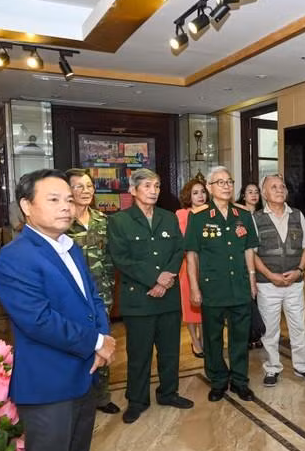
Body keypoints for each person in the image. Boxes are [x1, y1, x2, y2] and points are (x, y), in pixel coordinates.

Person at [0, 169, 116, 451]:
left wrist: (103, 339)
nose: (67, 206)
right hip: (49, 385)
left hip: (83, 374)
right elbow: (39, 320)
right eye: (54, 199)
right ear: (26, 207)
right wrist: (95, 342)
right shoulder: (15, 257)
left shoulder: (70, 246)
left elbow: (93, 299)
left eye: (68, 198)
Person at [108, 168, 194, 424]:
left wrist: (166, 278)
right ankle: (137, 400)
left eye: (156, 186)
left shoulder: (168, 218)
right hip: (139, 298)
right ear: (133, 191)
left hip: (167, 297)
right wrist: (154, 279)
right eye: (147, 186)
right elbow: (121, 259)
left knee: (170, 351)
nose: (153, 191)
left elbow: (179, 249)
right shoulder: (119, 221)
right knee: (139, 354)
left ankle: (168, 392)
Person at [185, 166, 259, 402]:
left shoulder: (243, 215)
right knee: (213, 338)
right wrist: (195, 288)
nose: (226, 186)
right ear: (209, 187)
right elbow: (191, 256)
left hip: (239, 286)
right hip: (212, 288)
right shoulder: (198, 217)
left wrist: (252, 279)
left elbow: (249, 250)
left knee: (240, 338)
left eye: (229, 181)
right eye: (220, 182)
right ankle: (218, 381)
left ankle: (239, 381)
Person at [252, 174, 305, 387]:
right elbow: (252, 253)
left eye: (282, 186)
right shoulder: (255, 218)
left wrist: (299, 270)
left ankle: (303, 366)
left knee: (298, 327)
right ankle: (272, 368)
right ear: (264, 193)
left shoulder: (297, 215)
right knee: (270, 329)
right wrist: (270, 275)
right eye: (273, 187)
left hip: (294, 284)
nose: (279, 190)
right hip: (267, 285)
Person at [65, 168, 119, 416]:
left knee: (102, 342)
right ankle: (75, 395)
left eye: (89, 186)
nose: (86, 191)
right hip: (71, 299)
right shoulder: (62, 224)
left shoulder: (102, 220)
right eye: (79, 186)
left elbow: (110, 259)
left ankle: (102, 396)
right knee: (74, 344)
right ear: (68, 191)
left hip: (101, 296)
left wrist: (108, 289)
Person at [176, 177, 208, 358]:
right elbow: (183, 241)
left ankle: (204, 339)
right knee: (190, 305)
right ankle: (195, 342)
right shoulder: (181, 215)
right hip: (187, 266)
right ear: (189, 196)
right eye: (195, 193)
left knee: (205, 306)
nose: (200, 196)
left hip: (208, 266)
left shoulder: (211, 213)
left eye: (203, 192)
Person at [237, 181, 264, 348]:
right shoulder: (238, 215)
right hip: (245, 262)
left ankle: (257, 335)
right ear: (243, 196)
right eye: (250, 192)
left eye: (256, 192)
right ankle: (247, 335)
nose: (254, 195)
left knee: (259, 300)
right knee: (248, 301)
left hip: (262, 262)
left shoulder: (263, 215)